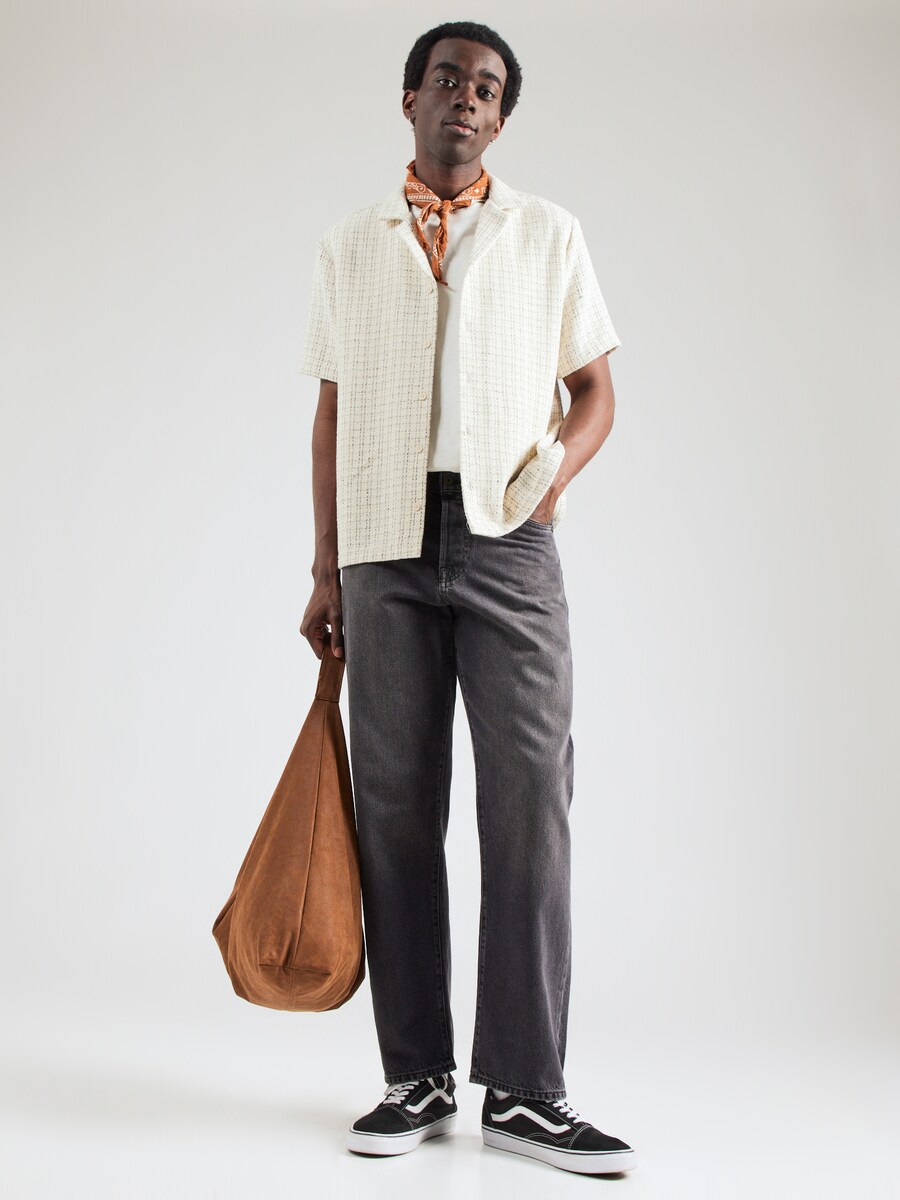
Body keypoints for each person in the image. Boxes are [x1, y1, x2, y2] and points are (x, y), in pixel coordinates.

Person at [298, 20, 637, 1177]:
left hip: (509, 541)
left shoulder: (548, 235)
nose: (467, 100)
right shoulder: (352, 245)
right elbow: (331, 410)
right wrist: (324, 567)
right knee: (395, 808)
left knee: (530, 799)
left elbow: (595, 392)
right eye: (448, 80)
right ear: (410, 99)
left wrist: (553, 478)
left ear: (501, 116)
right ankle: (418, 1076)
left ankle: (528, 1092)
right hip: (381, 549)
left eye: (488, 89)